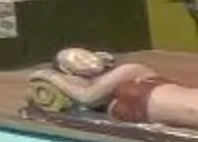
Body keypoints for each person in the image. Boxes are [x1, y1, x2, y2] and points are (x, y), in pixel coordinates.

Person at [30, 45, 198, 135]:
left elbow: (87, 97)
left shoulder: (131, 70)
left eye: (86, 53)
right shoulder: (99, 90)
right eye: (76, 58)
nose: (86, 58)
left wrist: (50, 77)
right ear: (67, 70)